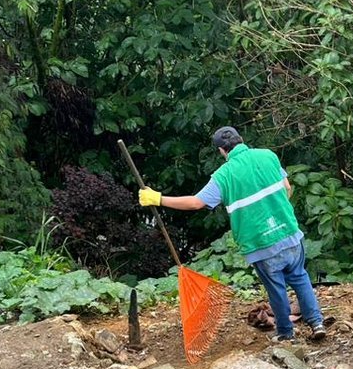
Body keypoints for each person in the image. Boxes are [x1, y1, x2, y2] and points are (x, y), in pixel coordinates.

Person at [137, 126, 326, 343]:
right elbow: (287, 188)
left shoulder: (223, 176)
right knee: (300, 277)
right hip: (289, 232)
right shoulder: (268, 156)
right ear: (241, 140)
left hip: (261, 244)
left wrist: (158, 198)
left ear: (221, 151)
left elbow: (196, 202)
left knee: (276, 289)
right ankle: (316, 322)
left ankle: (285, 332)